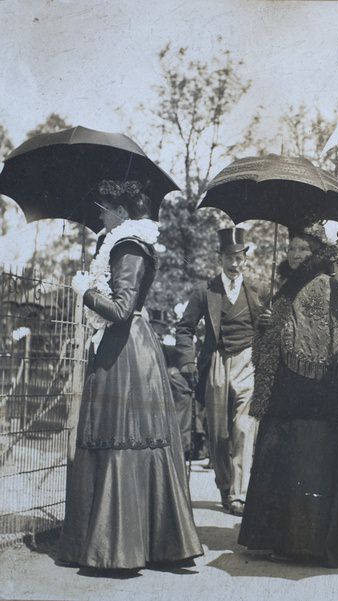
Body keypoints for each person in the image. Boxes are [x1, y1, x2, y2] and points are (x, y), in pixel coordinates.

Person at [57, 179, 202, 570]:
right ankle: (135, 542)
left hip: (126, 352)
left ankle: (122, 547)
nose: (98, 213)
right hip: (123, 348)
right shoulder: (121, 243)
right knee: (122, 437)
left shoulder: (128, 246)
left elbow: (122, 309)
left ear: (121, 212)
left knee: (121, 435)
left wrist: (86, 292)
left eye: (103, 207)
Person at [238, 222, 338, 567]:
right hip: (285, 388)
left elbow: (333, 330)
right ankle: (279, 539)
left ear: (316, 252)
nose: (296, 255)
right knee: (282, 460)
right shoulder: (286, 288)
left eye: (303, 249)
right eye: (291, 248)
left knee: (310, 460)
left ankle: (308, 543)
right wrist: (268, 323)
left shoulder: (327, 284)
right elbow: (271, 341)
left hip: (318, 390)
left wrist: (286, 329)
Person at [174, 228, 262, 516]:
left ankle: (240, 494)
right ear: (220, 258)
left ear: (245, 258)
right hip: (216, 363)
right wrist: (187, 362)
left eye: (239, 257)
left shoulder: (258, 290)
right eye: (229, 257)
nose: (235, 263)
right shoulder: (206, 291)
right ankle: (225, 486)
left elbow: (268, 327)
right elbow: (184, 328)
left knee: (243, 429)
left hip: (248, 362)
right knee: (219, 434)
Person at [149, 309, 193, 460]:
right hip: (155, 381)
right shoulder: (151, 340)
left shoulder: (162, 342)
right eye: (157, 326)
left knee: (183, 398)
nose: (159, 330)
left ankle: (181, 444)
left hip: (165, 380)